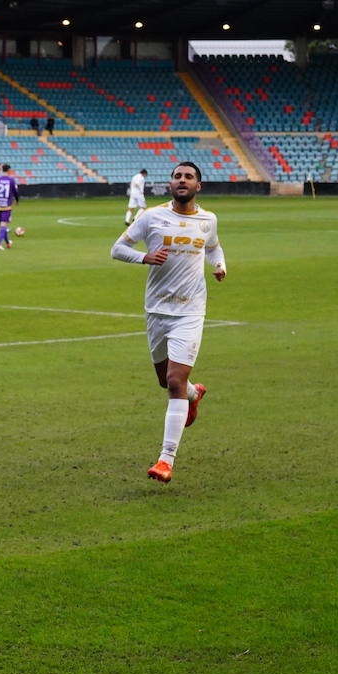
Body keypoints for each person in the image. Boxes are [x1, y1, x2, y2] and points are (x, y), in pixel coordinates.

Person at [110, 162, 226, 484]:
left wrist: (219, 265)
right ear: (170, 184)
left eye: (188, 176)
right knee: (167, 382)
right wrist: (143, 257)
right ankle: (194, 394)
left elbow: (213, 247)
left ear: (198, 186)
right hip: (157, 311)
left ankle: (165, 460)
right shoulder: (151, 217)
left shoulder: (208, 220)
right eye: (177, 176)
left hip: (190, 311)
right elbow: (116, 249)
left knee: (174, 381)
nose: (182, 180)